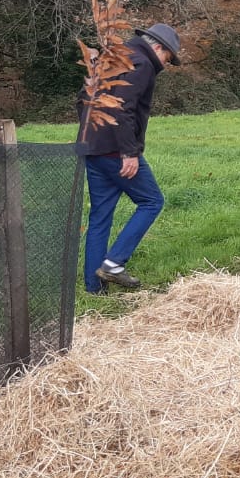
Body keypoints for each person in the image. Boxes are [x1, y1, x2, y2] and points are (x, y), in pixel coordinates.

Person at [75, 23, 181, 293]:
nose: (166, 64)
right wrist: (129, 153)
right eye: (168, 57)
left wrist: (92, 135)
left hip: (92, 147)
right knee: (152, 201)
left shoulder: (112, 57)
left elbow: (82, 98)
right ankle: (114, 263)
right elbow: (123, 109)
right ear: (158, 47)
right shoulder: (142, 63)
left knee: (100, 216)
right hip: (116, 151)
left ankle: (94, 289)